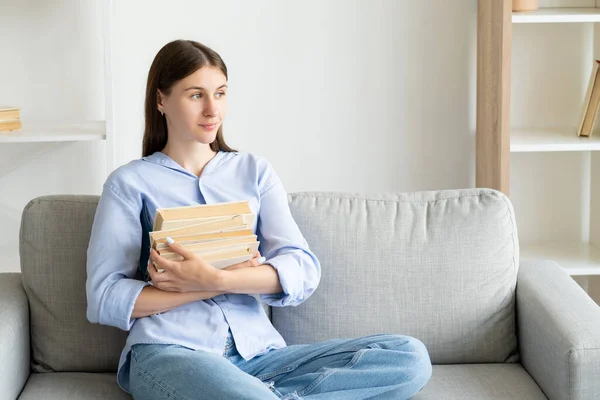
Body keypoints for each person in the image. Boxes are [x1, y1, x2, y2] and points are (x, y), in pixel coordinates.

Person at [85, 39, 432, 400]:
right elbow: (104, 296)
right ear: (161, 100)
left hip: (263, 358)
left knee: (408, 357)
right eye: (195, 95)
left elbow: (302, 268)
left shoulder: (254, 172)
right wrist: (210, 285)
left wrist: (217, 277)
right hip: (172, 352)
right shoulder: (129, 183)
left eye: (220, 93)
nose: (212, 110)